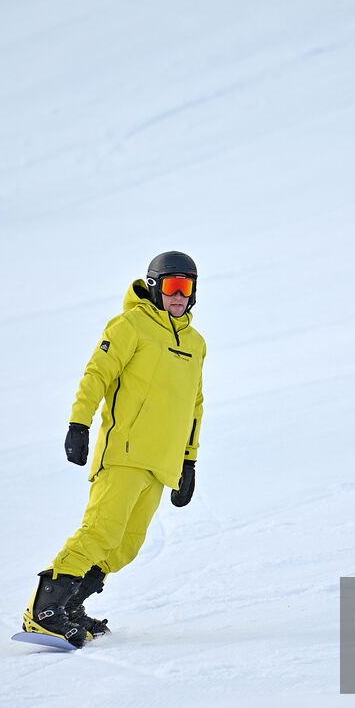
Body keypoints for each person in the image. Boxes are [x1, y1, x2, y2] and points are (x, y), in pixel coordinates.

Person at [23, 251, 207, 647]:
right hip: (124, 454)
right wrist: (79, 423)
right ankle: (44, 611)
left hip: (162, 463)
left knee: (125, 546)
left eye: (186, 287)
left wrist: (188, 461)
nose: (179, 296)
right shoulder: (130, 326)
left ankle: (71, 605)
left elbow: (195, 405)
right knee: (100, 532)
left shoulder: (195, 343)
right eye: (172, 286)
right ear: (155, 287)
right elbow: (98, 374)